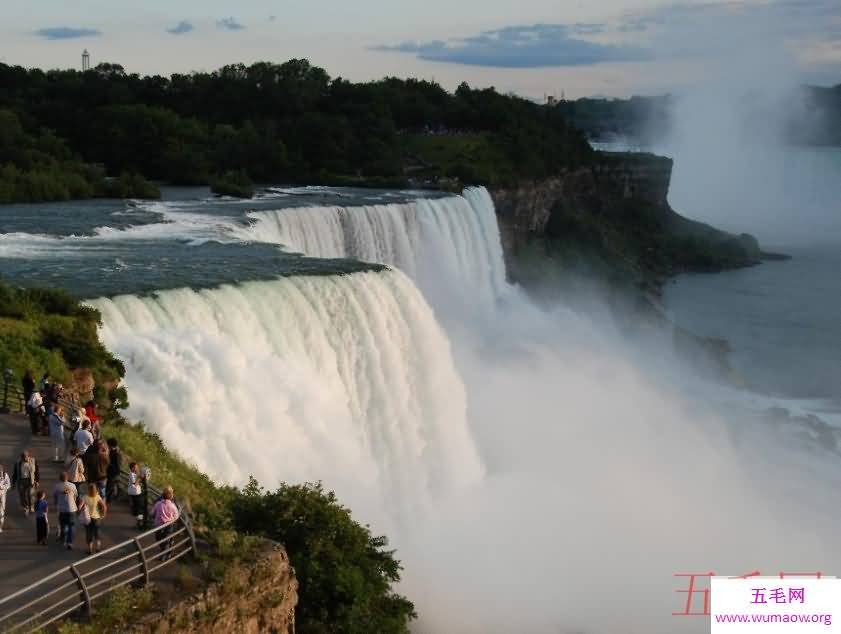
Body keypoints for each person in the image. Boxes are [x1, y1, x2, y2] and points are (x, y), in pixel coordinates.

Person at [151, 486, 179, 560]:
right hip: (169, 525)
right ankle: (167, 552)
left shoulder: (158, 503)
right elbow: (176, 515)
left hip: (158, 525)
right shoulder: (173, 505)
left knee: (160, 538)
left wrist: (154, 517)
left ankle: (164, 553)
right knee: (166, 539)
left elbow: (152, 513)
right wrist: (171, 520)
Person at [53, 472, 78, 550]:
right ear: (67, 478)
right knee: (71, 526)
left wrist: (56, 503)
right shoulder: (72, 485)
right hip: (72, 509)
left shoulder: (57, 486)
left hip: (62, 509)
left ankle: (63, 539)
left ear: (60, 478)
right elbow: (76, 496)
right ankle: (70, 542)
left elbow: (55, 496)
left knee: (63, 525)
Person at [80, 483, 107, 555]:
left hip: (88, 518)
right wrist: (103, 515)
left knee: (89, 533)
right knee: (97, 533)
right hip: (96, 517)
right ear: (96, 490)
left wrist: (82, 509)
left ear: (88, 489)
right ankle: (98, 548)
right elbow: (104, 506)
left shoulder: (85, 497)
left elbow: (79, 507)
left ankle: (90, 549)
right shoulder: (97, 497)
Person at [12, 451, 38, 515]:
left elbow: (37, 471)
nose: (24, 459)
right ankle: (25, 507)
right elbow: (15, 474)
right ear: (21, 457)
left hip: (30, 480)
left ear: (28, 456)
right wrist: (13, 483)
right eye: (22, 458)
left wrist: (37, 481)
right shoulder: (18, 463)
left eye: (25, 458)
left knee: (30, 494)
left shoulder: (33, 461)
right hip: (21, 481)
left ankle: (31, 506)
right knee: (22, 496)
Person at [127, 462, 144, 529]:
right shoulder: (132, 474)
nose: (137, 468)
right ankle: (139, 522)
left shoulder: (134, 474)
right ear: (132, 468)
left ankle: (139, 520)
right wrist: (140, 477)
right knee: (139, 508)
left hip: (136, 493)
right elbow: (135, 484)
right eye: (136, 467)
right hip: (135, 493)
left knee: (139, 508)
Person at [105, 438, 121, 503]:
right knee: (109, 489)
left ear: (111, 445)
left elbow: (117, 466)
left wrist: (109, 464)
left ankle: (106, 503)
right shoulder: (113, 452)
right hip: (111, 474)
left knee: (108, 489)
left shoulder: (116, 454)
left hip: (112, 475)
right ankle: (107, 502)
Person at [0, 464, 10, 533]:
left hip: (2, 495)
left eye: (0, 469)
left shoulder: (5, 475)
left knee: (2, 510)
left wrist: (3, 488)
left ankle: (0, 526)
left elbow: (8, 485)